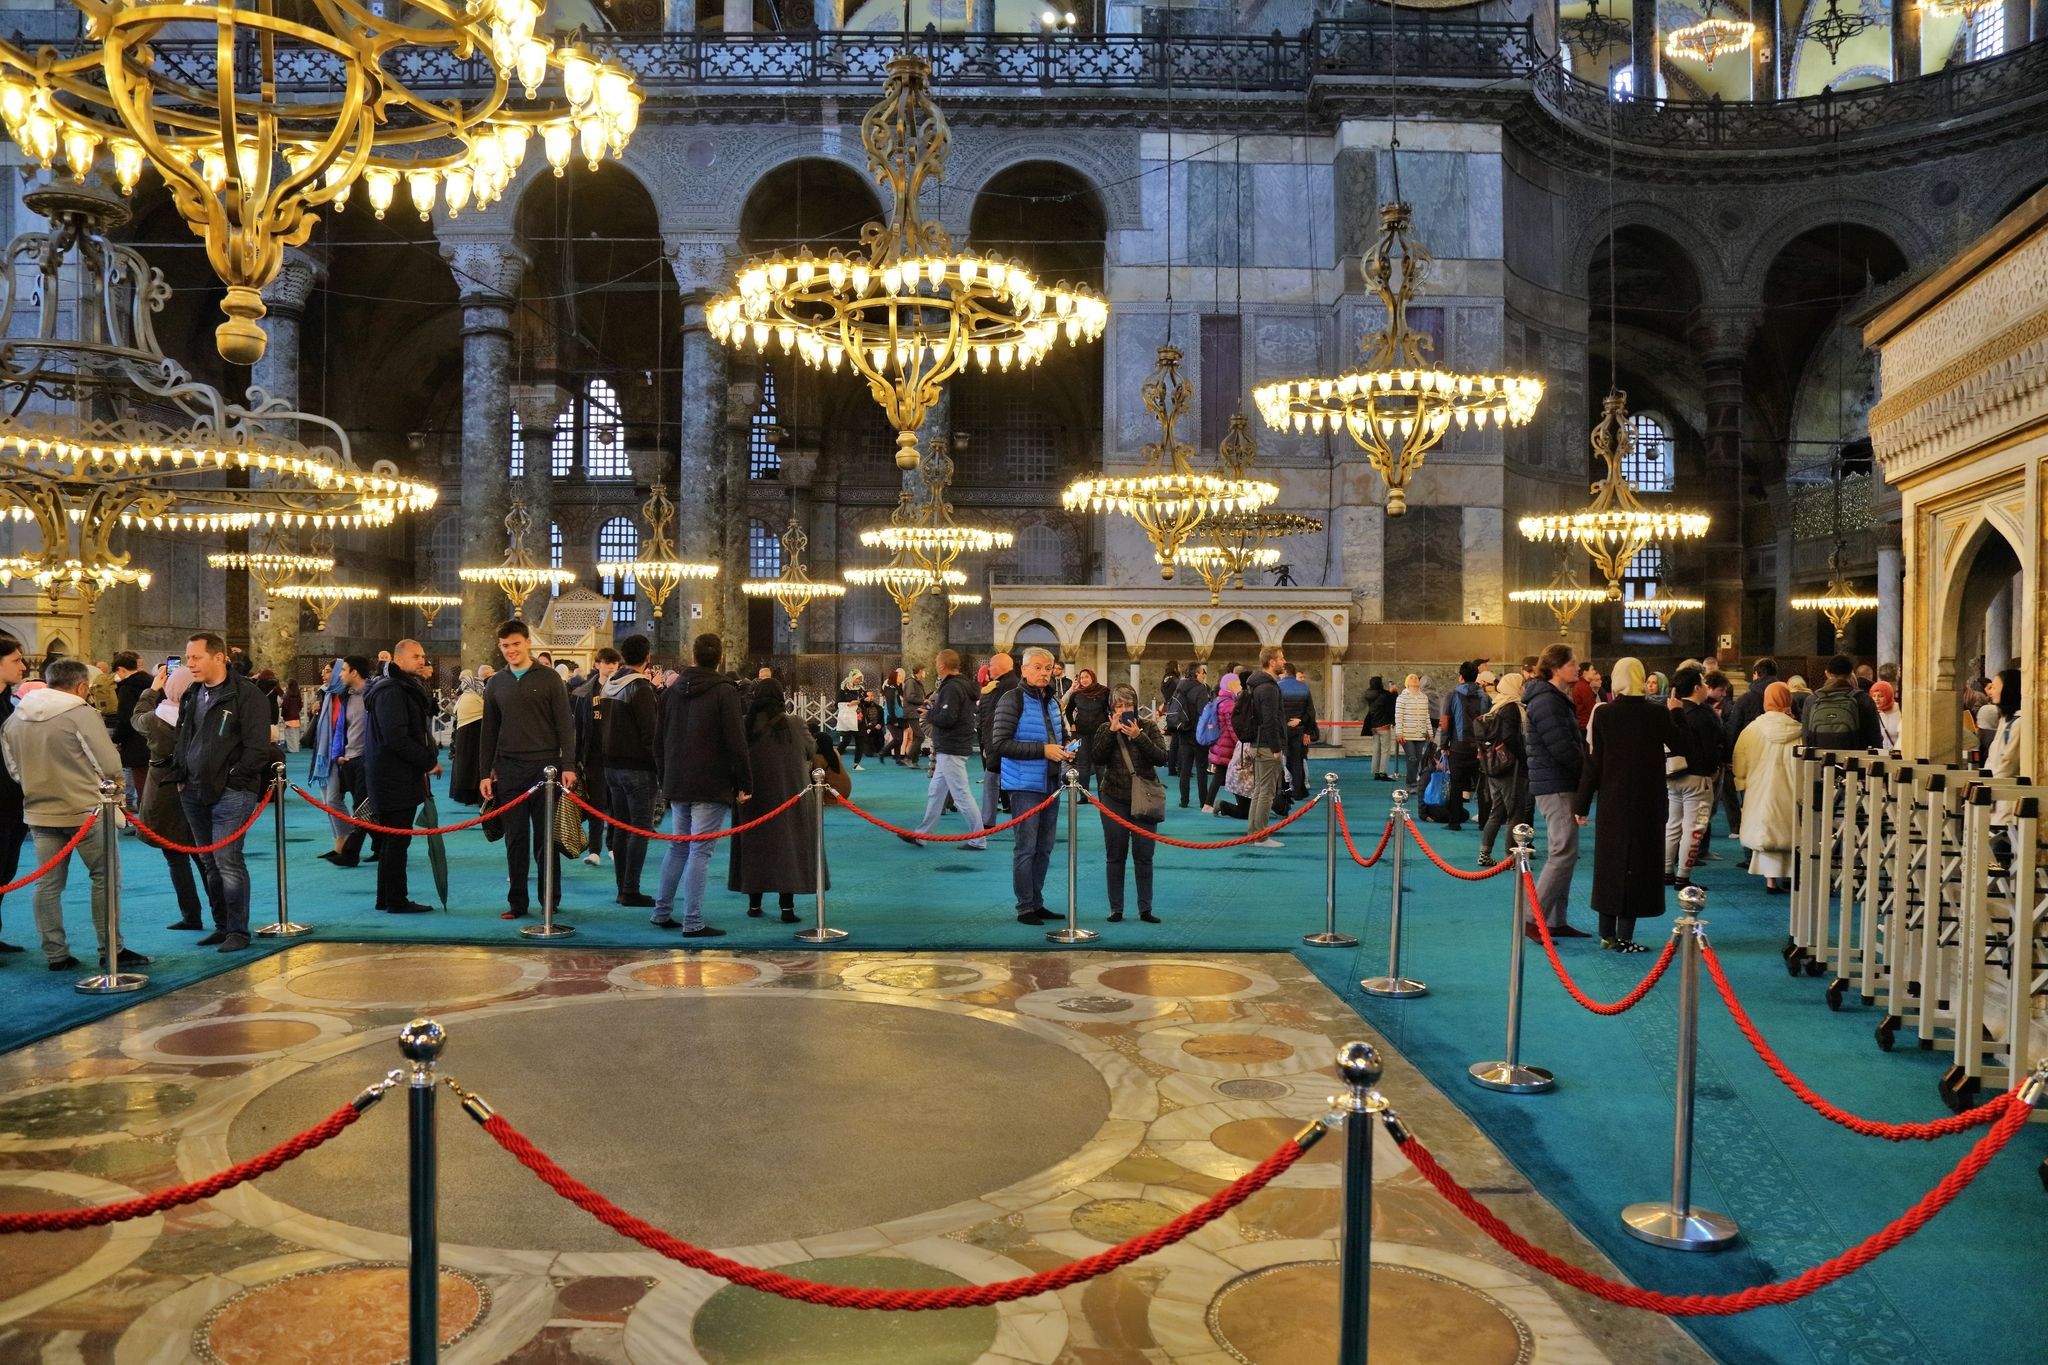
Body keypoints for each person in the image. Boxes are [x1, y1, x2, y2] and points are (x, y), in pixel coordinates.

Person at [1, 658, 143, 972]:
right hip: (87, 811)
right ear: (81, 686)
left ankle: (56, 954)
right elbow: (108, 764)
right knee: (104, 880)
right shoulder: (80, 713)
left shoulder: (15, 718)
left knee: (47, 885)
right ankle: (111, 949)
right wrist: (115, 793)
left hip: (39, 811)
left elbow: (13, 770)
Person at [1575, 658, 1690, 953]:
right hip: (1647, 800)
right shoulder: (1656, 714)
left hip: (1613, 800)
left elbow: (1594, 763)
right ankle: (1625, 936)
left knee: (1610, 864)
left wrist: (1582, 804)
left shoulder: (1604, 714)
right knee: (1638, 866)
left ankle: (1606, 933)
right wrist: (1676, 714)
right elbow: (1680, 745)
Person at [168, 632, 273, 953]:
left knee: (228, 860)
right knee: (209, 862)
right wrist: (180, 773)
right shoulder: (192, 694)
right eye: (188, 658)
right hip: (193, 789)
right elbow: (184, 736)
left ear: (218, 657)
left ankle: (238, 931)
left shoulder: (247, 695)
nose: (190, 664)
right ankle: (222, 926)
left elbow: (258, 748)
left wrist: (235, 777)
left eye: (196, 658)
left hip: (231, 791)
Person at [650, 633, 752, 937]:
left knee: (679, 847)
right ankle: (692, 921)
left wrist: (664, 779)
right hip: (711, 782)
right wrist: (744, 782)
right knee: (700, 851)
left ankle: (661, 912)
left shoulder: (670, 692)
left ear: (692, 657)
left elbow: (658, 743)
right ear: (720, 659)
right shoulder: (724, 692)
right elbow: (736, 741)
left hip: (677, 781)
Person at [478, 620, 579, 923]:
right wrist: (485, 771)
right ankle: (517, 902)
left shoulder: (549, 679)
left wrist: (569, 766)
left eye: (516, 644)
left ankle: (550, 898)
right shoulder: (496, 683)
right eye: (505, 646)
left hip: (546, 770)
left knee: (546, 840)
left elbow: (565, 725)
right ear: (501, 647)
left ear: (527, 643)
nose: (511, 650)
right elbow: (489, 731)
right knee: (515, 839)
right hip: (509, 770)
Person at [727, 679, 824, 923]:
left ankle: (754, 904)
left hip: (751, 797)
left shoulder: (744, 724)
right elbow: (811, 751)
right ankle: (787, 908)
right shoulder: (794, 723)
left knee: (754, 848)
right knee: (788, 849)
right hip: (788, 796)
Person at [991, 646, 1075, 925]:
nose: (1043, 673)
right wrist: (1043, 750)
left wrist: (1065, 750)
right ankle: (1025, 906)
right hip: (1024, 784)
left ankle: (1037, 901)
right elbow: (1000, 744)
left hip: (1051, 782)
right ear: (1024, 670)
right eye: (1037, 667)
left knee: (1045, 847)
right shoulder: (1011, 699)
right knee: (1026, 847)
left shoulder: (1052, 701)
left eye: (1047, 668)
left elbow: (1057, 739)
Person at [132, 663, 216, 931]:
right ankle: (222, 916)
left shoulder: (154, 721)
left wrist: (151, 690)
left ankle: (191, 916)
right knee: (204, 858)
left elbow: (137, 716)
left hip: (164, 793)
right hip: (196, 790)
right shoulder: (204, 719)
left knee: (175, 858)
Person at [363, 639, 440, 914]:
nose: (422, 660)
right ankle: (395, 899)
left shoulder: (400, 687)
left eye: (423, 655)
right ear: (398, 660)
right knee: (396, 841)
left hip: (392, 774)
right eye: (416, 656)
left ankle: (386, 897)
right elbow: (396, 737)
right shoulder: (392, 691)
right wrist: (427, 761)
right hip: (393, 776)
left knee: (392, 841)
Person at [1524, 644, 1589, 939]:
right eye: (1572, 663)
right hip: (1555, 783)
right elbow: (1563, 748)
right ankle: (1532, 918)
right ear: (1556, 668)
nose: (1578, 667)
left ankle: (1555, 920)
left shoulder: (1552, 698)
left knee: (1565, 852)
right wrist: (1588, 772)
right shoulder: (1547, 701)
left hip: (1559, 782)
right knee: (1562, 852)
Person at [1090, 684, 1170, 923]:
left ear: (1136, 706)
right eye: (1119, 706)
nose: (1125, 710)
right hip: (1113, 797)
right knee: (1115, 854)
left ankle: (1145, 909)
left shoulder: (1149, 727)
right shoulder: (1105, 728)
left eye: (1128, 705)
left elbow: (1162, 758)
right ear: (1112, 709)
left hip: (1144, 799)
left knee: (1144, 855)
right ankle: (1116, 909)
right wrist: (1111, 733)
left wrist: (1139, 737)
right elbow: (1096, 758)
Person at [602, 635, 660, 908]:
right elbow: (651, 735)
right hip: (637, 769)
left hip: (611, 768)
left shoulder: (609, 685)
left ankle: (621, 888)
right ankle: (631, 889)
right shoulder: (640, 688)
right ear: (647, 656)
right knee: (639, 829)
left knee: (622, 829)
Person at [908, 649, 987, 851]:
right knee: (936, 792)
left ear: (942, 665)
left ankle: (978, 839)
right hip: (952, 746)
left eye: (936, 661)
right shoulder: (962, 685)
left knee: (961, 795)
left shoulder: (951, 688)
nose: (934, 664)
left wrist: (929, 713)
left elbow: (947, 718)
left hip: (951, 746)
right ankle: (921, 835)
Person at [1732, 682, 1801, 892]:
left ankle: (1770, 881)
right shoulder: (1798, 730)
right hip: (1790, 788)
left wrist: (1741, 782)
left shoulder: (1752, 730)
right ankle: (1791, 877)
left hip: (1760, 788)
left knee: (1766, 831)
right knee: (1791, 830)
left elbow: (1739, 759)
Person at [1663, 667, 1724, 889]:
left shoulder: (1672, 711)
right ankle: (1683, 876)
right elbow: (1712, 749)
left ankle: (1667, 872)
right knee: (1694, 828)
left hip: (1673, 775)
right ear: (1697, 688)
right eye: (1703, 683)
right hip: (1698, 778)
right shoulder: (1703, 715)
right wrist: (1714, 768)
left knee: (1672, 825)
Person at [1475, 671, 1530, 868]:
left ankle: (1485, 853)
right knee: (1515, 812)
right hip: (1510, 768)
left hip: (1494, 765)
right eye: (1521, 685)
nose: (1524, 689)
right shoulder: (1512, 708)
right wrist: (1523, 758)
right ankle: (1511, 857)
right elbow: (1509, 737)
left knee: (1497, 811)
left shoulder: (1496, 705)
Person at [321, 656, 372, 867]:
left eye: (344, 670)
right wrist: (338, 754)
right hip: (348, 759)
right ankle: (380, 846)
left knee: (362, 807)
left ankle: (350, 853)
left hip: (366, 760)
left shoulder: (373, 694)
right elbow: (342, 727)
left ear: (354, 672)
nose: (340, 674)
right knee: (363, 806)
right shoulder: (346, 696)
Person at [1239, 647, 1289, 846]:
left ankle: (1253, 833)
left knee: (1260, 791)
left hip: (1258, 743)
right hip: (1267, 745)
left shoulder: (1257, 685)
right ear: (1271, 662)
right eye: (1281, 658)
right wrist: (1277, 748)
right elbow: (1270, 720)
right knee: (1266, 793)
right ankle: (1260, 836)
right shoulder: (1268, 688)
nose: (1284, 661)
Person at [0, 637, 26, 955]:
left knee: (5, 871)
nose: (22, 666)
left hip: (12, 801)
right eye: (17, 660)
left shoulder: (8, 702)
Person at [1801, 654, 1882, 751]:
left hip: (1820, 762)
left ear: (1827, 674)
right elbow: (1875, 739)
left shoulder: (1812, 700)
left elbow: (1806, 738)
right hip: (1855, 762)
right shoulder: (1863, 699)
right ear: (1851, 674)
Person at [976, 651, 1016, 827]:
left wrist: (989, 744)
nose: (988, 668)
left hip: (1001, 744)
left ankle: (986, 823)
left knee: (995, 782)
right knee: (996, 782)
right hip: (999, 743)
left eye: (991, 665)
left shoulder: (1005, 687)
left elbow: (994, 720)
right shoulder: (999, 686)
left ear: (1000, 666)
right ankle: (987, 821)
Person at [1167, 662, 1210, 807]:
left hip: (1183, 731)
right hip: (1197, 733)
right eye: (1203, 672)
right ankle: (1203, 801)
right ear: (1197, 673)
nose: (1204, 675)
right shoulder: (1201, 689)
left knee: (1185, 768)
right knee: (1201, 768)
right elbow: (1202, 712)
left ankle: (1184, 800)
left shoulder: (1180, 687)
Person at [110, 652, 150, 808]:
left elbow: (126, 719)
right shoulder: (153, 683)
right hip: (154, 740)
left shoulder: (127, 688)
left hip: (136, 743)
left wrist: (117, 738)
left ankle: (144, 828)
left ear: (121, 670)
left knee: (142, 786)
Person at [1062, 668, 1111, 790]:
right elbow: (1068, 710)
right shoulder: (1076, 694)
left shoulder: (1104, 691)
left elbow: (1111, 708)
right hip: (1081, 733)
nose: (1083, 680)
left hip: (1100, 733)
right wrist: (1072, 724)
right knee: (1083, 764)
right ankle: (1083, 794)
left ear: (1093, 677)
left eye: (1086, 677)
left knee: (1100, 764)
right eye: (1081, 678)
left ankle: (1103, 792)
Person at [1202, 672, 1242, 814]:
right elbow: (1232, 727)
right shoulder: (1229, 704)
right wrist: (1240, 742)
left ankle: (1208, 803)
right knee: (1229, 774)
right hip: (1227, 746)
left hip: (1219, 744)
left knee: (1221, 774)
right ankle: (1208, 804)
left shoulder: (1219, 699)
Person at [449, 666, 489, 806]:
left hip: (466, 735)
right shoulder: (474, 696)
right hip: (473, 734)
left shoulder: (465, 696)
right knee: (472, 766)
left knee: (466, 765)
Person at [1279, 665, 1320, 800]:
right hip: (1299, 729)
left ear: (1285, 672)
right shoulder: (1303, 687)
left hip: (1283, 729)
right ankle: (1299, 789)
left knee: (1286, 760)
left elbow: (1276, 710)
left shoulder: (1278, 687)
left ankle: (1291, 789)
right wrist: (1302, 723)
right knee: (1297, 759)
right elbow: (1310, 712)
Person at [1393, 673, 1431, 789]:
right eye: (1411, 678)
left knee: (1418, 759)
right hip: (1407, 735)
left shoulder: (1424, 697)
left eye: (1416, 678)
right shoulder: (1401, 698)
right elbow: (1398, 716)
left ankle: (1414, 781)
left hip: (1420, 734)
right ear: (1407, 682)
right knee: (1412, 758)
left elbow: (1426, 716)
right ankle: (1411, 783)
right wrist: (1399, 733)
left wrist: (1430, 731)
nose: (1414, 679)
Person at [1363, 675, 1396, 781]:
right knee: (1385, 750)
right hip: (1383, 725)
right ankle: (1383, 773)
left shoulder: (1368, 694)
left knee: (1376, 750)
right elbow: (1394, 701)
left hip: (1373, 725)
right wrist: (1394, 692)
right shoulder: (1384, 695)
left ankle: (1376, 772)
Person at [901, 664, 929, 767]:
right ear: (920, 671)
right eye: (924, 671)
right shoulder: (910, 682)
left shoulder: (916, 683)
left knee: (918, 736)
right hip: (911, 713)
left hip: (916, 712)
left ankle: (914, 760)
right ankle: (909, 758)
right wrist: (923, 701)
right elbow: (910, 697)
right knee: (920, 736)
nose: (925, 673)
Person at [1871, 679, 1901, 749]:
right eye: (1874, 696)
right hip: (1880, 756)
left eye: (1880, 696)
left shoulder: (1900, 710)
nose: (1876, 699)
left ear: (1888, 695)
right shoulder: (1872, 712)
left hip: (1897, 756)